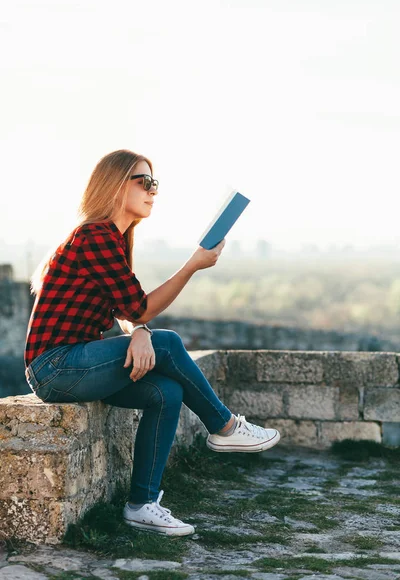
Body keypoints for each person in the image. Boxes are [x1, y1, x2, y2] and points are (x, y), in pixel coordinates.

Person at [24, 149, 280, 537]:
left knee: (166, 391)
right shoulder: (94, 235)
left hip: (77, 365)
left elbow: (129, 313)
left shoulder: (114, 240)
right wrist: (191, 266)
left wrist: (141, 332)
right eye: (143, 182)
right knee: (170, 342)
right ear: (113, 185)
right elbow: (140, 307)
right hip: (56, 368)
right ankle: (224, 427)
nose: (152, 191)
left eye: (154, 183)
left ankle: (142, 505)